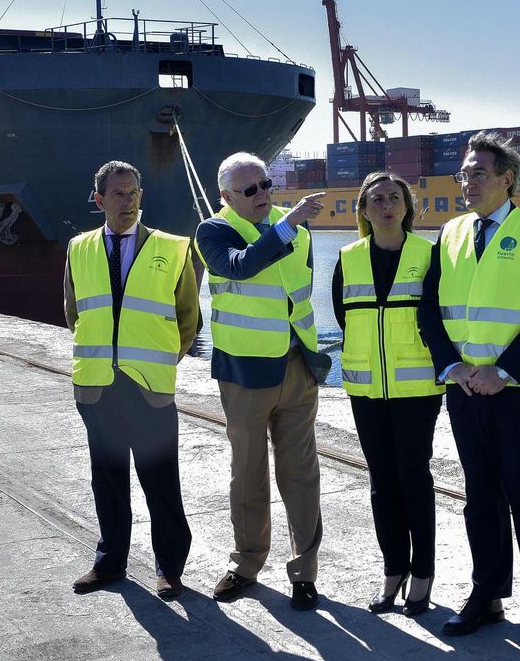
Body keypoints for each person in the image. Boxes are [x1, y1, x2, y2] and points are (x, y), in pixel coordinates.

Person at [416, 131, 520, 649]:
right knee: (480, 499)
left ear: (507, 179)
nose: (468, 183)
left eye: (478, 173)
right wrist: (452, 367)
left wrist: (503, 372)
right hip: (464, 390)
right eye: (464, 174)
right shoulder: (451, 232)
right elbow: (429, 309)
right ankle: (486, 595)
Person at [195, 152, 331, 610]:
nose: (262, 195)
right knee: (248, 472)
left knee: (301, 474)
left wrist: (311, 357)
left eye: (266, 185)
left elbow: (299, 294)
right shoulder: (213, 231)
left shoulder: (297, 229)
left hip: (297, 366)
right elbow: (240, 265)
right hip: (245, 372)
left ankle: (304, 572)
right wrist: (288, 224)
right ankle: (247, 564)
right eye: (250, 189)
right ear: (226, 195)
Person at [64, 161, 200, 600]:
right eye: (119, 194)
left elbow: (188, 318)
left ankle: (170, 570)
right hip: (98, 383)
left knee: (160, 479)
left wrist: (162, 360)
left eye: (134, 192)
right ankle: (109, 563)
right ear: (100, 199)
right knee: (106, 478)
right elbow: (74, 313)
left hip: (148, 384)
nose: (129, 201)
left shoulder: (173, 248)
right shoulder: (78, 248)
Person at [329, 172, 441, 615]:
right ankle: (393, 568)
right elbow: (344, 316)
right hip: (366, 389)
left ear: (408, 206)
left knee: (414, 477)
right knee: (381, 482)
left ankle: (423, 572)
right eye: (376, 199)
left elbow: (440, 317)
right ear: (363, 209)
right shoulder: (348, 258)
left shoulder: (429, 255)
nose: (386, 206)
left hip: (417, 388)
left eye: (395, 198)